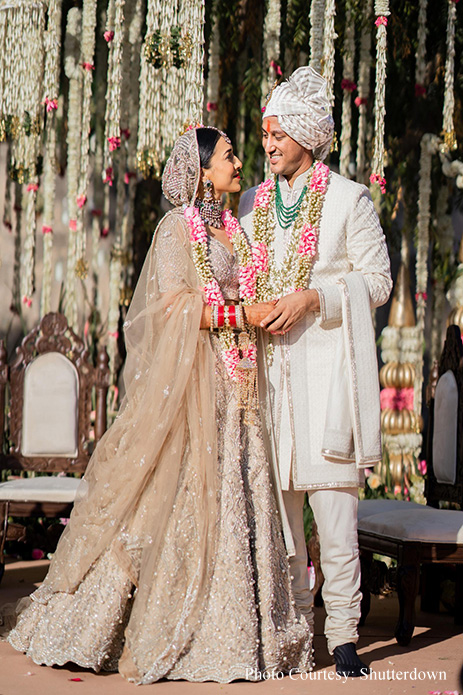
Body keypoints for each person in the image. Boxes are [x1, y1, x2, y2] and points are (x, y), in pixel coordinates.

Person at [2, 126, 312, 683]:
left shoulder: (235, 231)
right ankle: (101, 621)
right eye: (227, 155)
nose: (239, 162)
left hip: (235, 389)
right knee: (169, 505)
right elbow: (171, 310)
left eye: (237, 154)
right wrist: (241, 315)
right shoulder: (177, 229)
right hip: (193, 390)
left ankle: (236, 629)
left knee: (235, 499)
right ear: (201, 171)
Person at [239, 67, 392, 677]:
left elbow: (377, 283)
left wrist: (315, 299)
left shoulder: (351, 200)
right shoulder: (252, 204)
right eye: (265, 135)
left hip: (330, 376)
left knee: (333, 512)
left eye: (278, 134)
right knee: (280, 514)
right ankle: (297, 628)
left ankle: (346, 633)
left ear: (306, 134)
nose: (269, 145)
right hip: (270, 378)